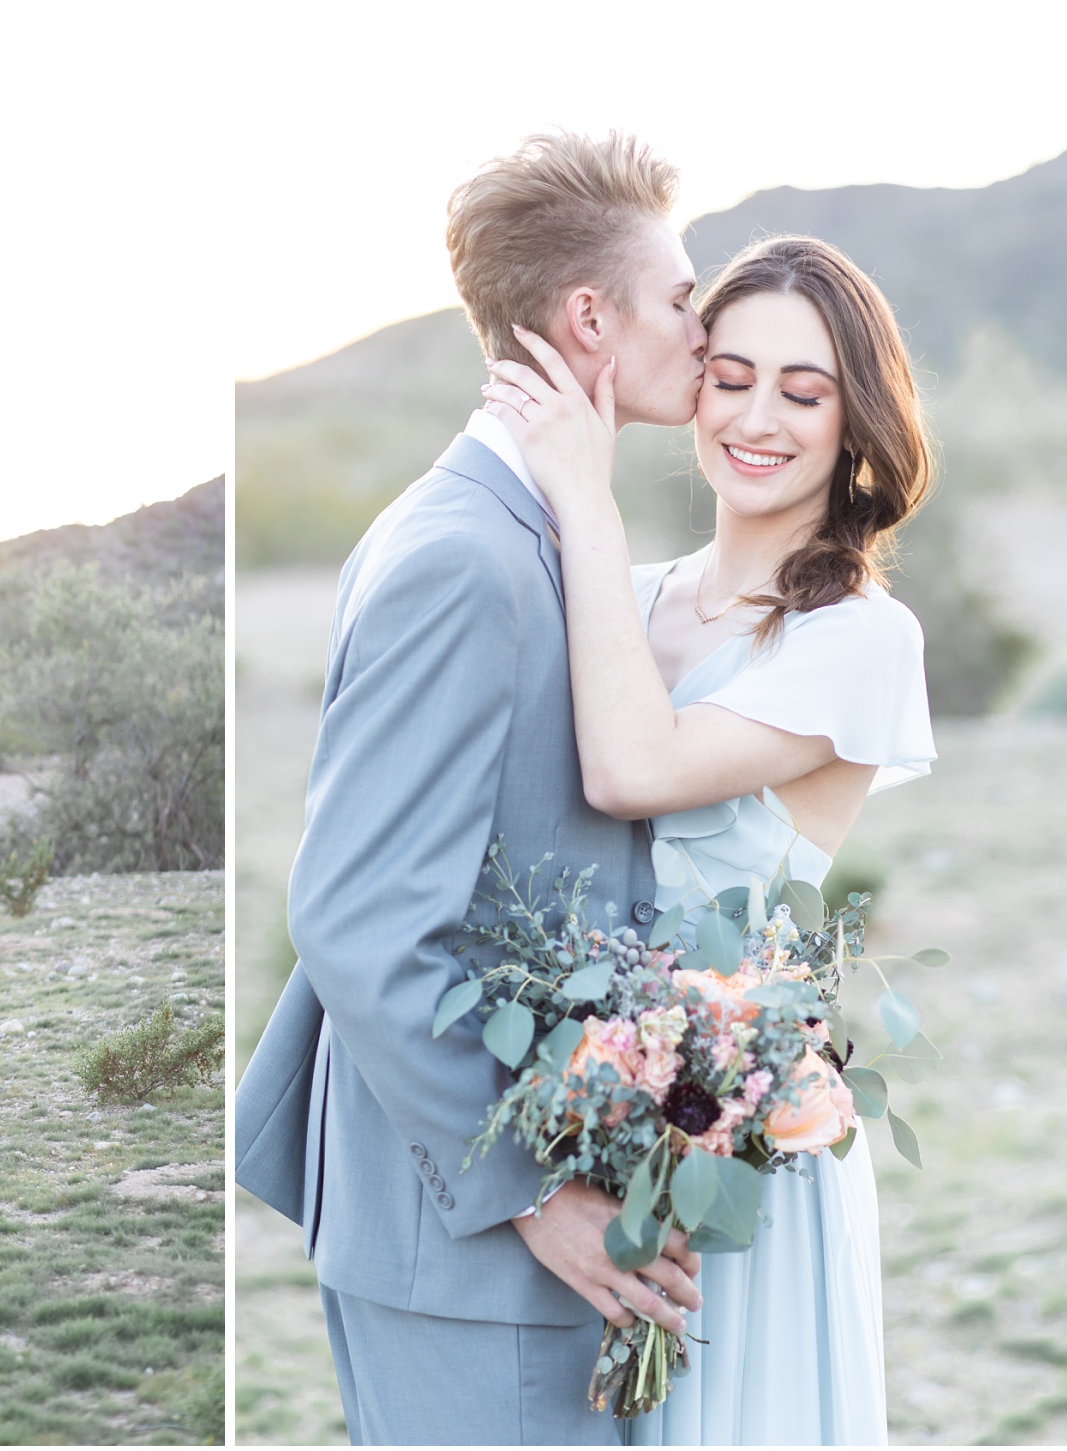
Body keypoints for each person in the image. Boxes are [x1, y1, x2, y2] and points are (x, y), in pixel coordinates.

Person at [234, 132, 711, 1445]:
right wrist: (533, 1194)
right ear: (588, 317)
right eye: (681, 296)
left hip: (504, 1224)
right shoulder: (466, 559)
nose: (703, 319)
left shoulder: (506, 526)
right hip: (468, 1243)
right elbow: (357, 915)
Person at [480, 233, 935, 1442]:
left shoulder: (858, 635)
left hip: (741, 1147)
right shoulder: (628, 600)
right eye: (731, 375)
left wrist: (581, 486)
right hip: (593, 1134)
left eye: (804, 390)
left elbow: (635, 770)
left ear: (857, 422)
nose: (758, 417)